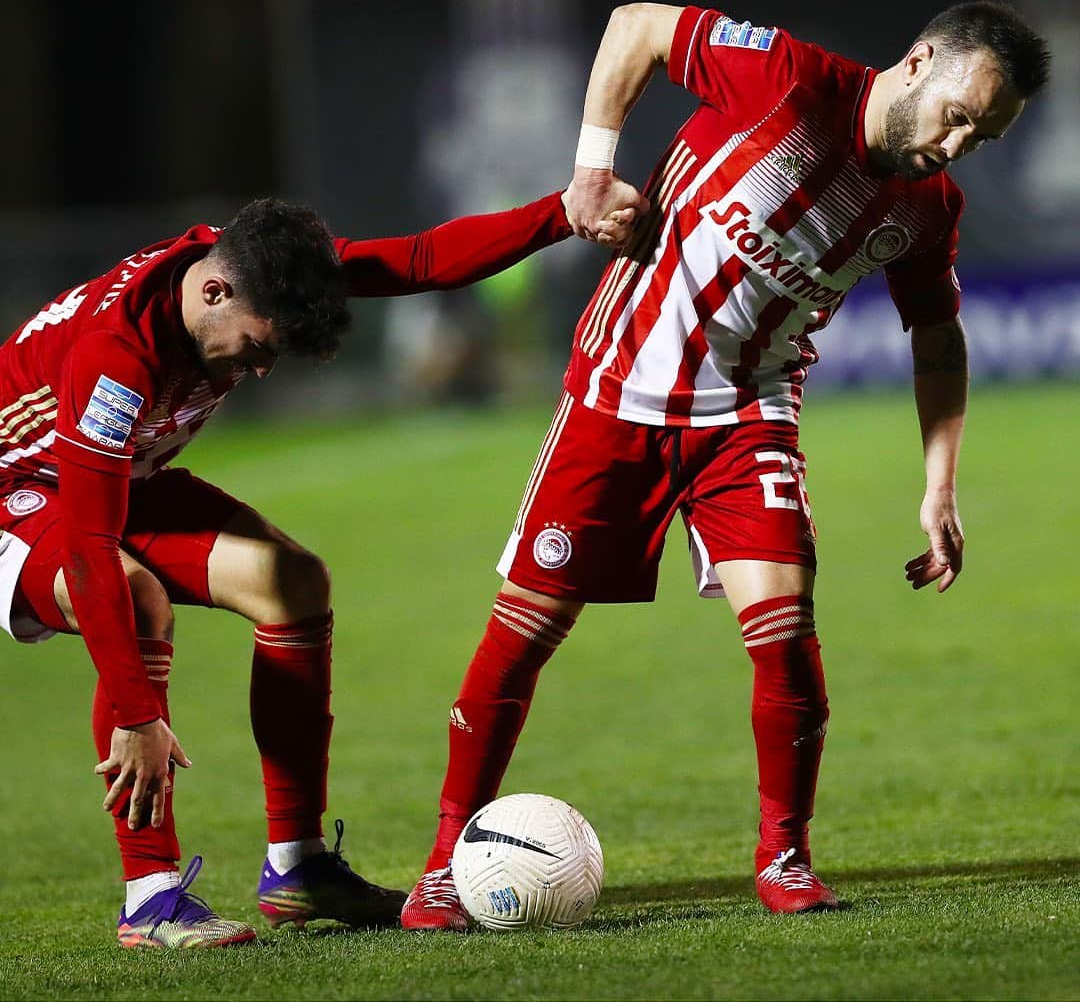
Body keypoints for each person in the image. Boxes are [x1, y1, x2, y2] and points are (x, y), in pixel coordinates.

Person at [399, 0, 1052, 927]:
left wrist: (939, 485)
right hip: (616, 392)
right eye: (959, 116)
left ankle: (784, 858)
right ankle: (440, 865)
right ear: (918, 64)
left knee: (785, 622)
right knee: (525, 631)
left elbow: (939, 340)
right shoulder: (786, 78)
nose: (957, 145)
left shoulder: (926, 208)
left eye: (981, 138)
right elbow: (634, 27)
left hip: (749, 417)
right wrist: (592, 172)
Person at [0, 186, 642, 948]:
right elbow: (88, 543)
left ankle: (296, 868)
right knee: (136, 602)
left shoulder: (262, 270)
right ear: (214, 291)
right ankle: (150, 897)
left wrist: (564, 212)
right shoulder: (117, 357)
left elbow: (423, 260)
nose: (262, 370)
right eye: (259, 346)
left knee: (293, 584)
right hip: (19, 491)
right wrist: (138, 713)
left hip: (116, 474)